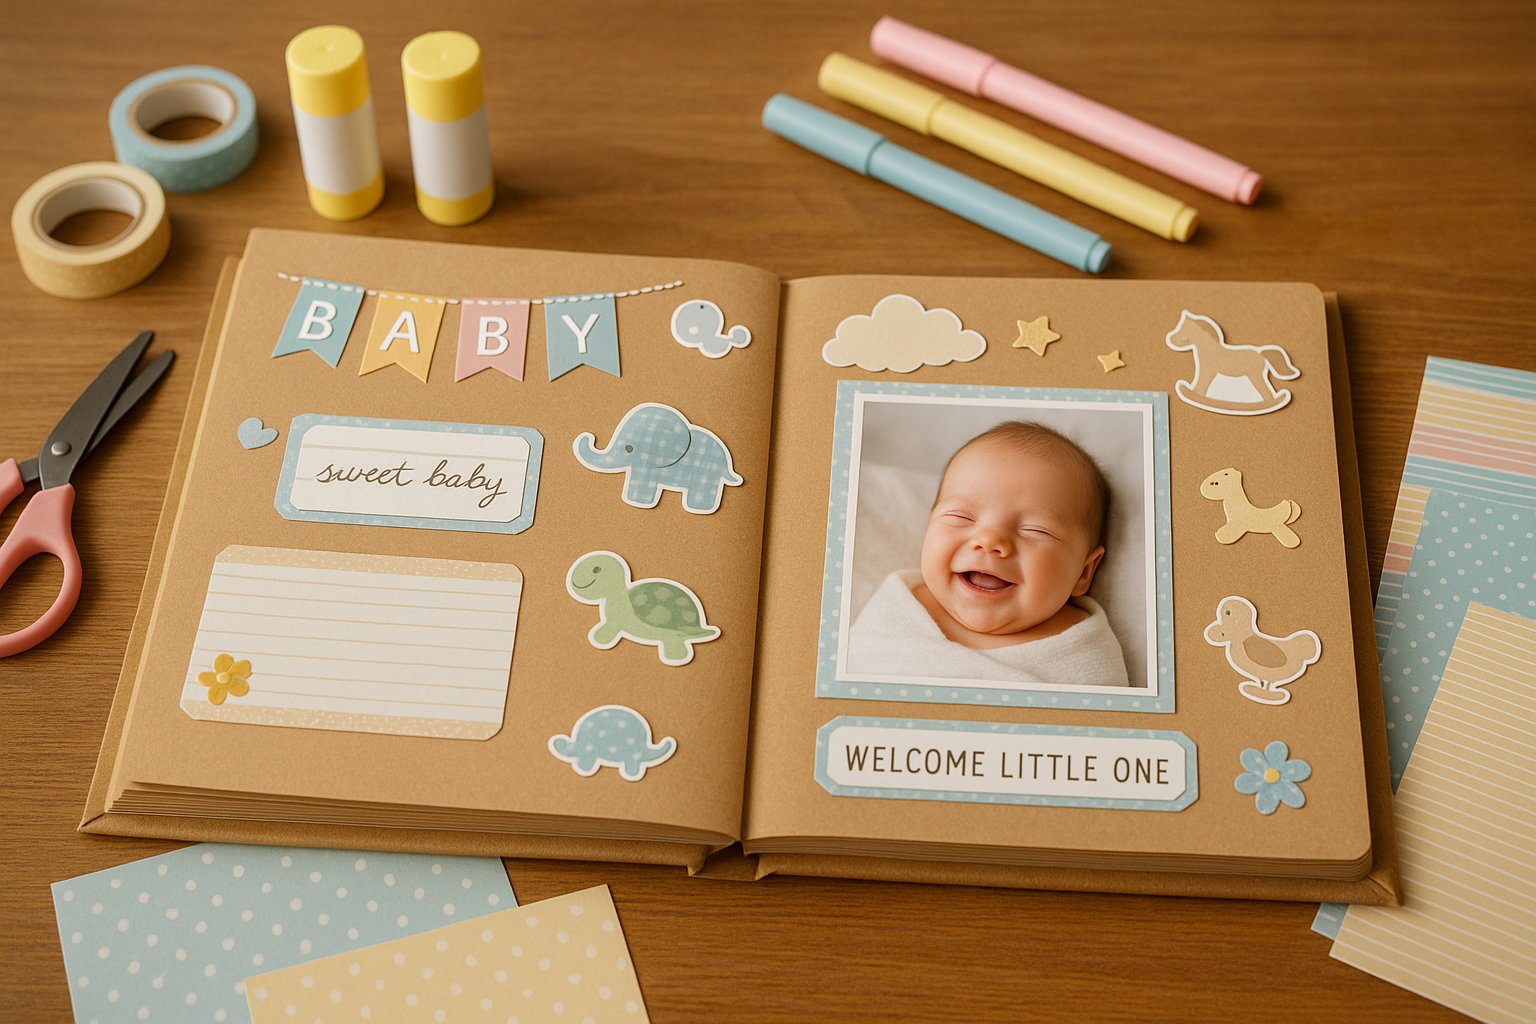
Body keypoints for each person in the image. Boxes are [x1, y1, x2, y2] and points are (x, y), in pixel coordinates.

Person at [846, 420, 1130, 686]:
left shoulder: (1082, 651)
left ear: (1083, 572)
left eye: (1035, 530)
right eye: (961, 516)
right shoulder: (899, 611)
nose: (990, 540)